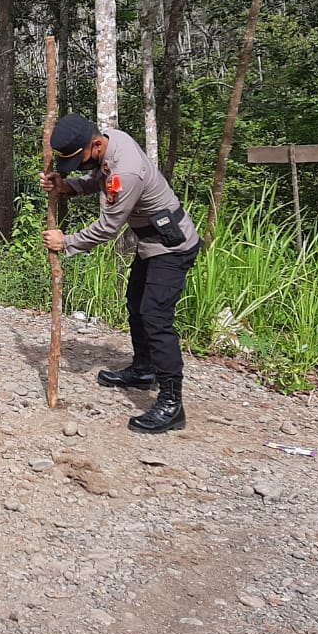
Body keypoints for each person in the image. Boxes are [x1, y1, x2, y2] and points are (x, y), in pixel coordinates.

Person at [40, 114, 201, 434]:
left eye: (80, 159)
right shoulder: (110, 143)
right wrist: (67, 185)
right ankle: (144, 369)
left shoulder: (126, 171)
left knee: (155, 317)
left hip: (172, 247)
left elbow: (108, 227)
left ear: (96, 144)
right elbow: (98, 178)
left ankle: (172, 404)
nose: (81, 165)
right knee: (136, 304)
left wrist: (66, 241)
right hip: (151, 243)